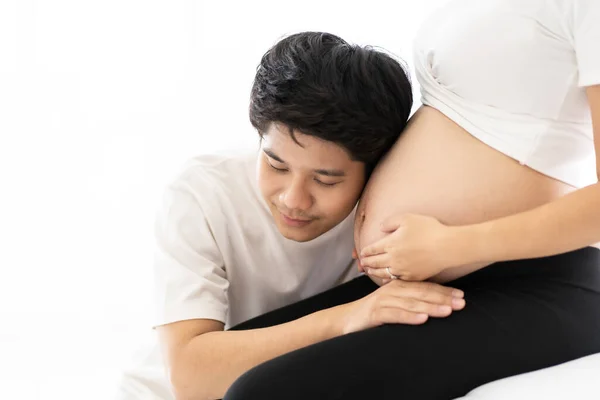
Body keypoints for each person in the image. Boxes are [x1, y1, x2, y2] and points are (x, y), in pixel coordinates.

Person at [223, 0, 600, 399]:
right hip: (452, 274)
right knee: (235, 364)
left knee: (257, 392)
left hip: (538, 278)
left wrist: (451, 245)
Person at [117, 31, 467, 400]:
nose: (294, 200)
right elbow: (190, 379)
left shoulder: (397, 212)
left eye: (325, 179)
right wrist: (351, 316)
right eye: (276, 165)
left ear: (376, 171)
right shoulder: (203, 193)